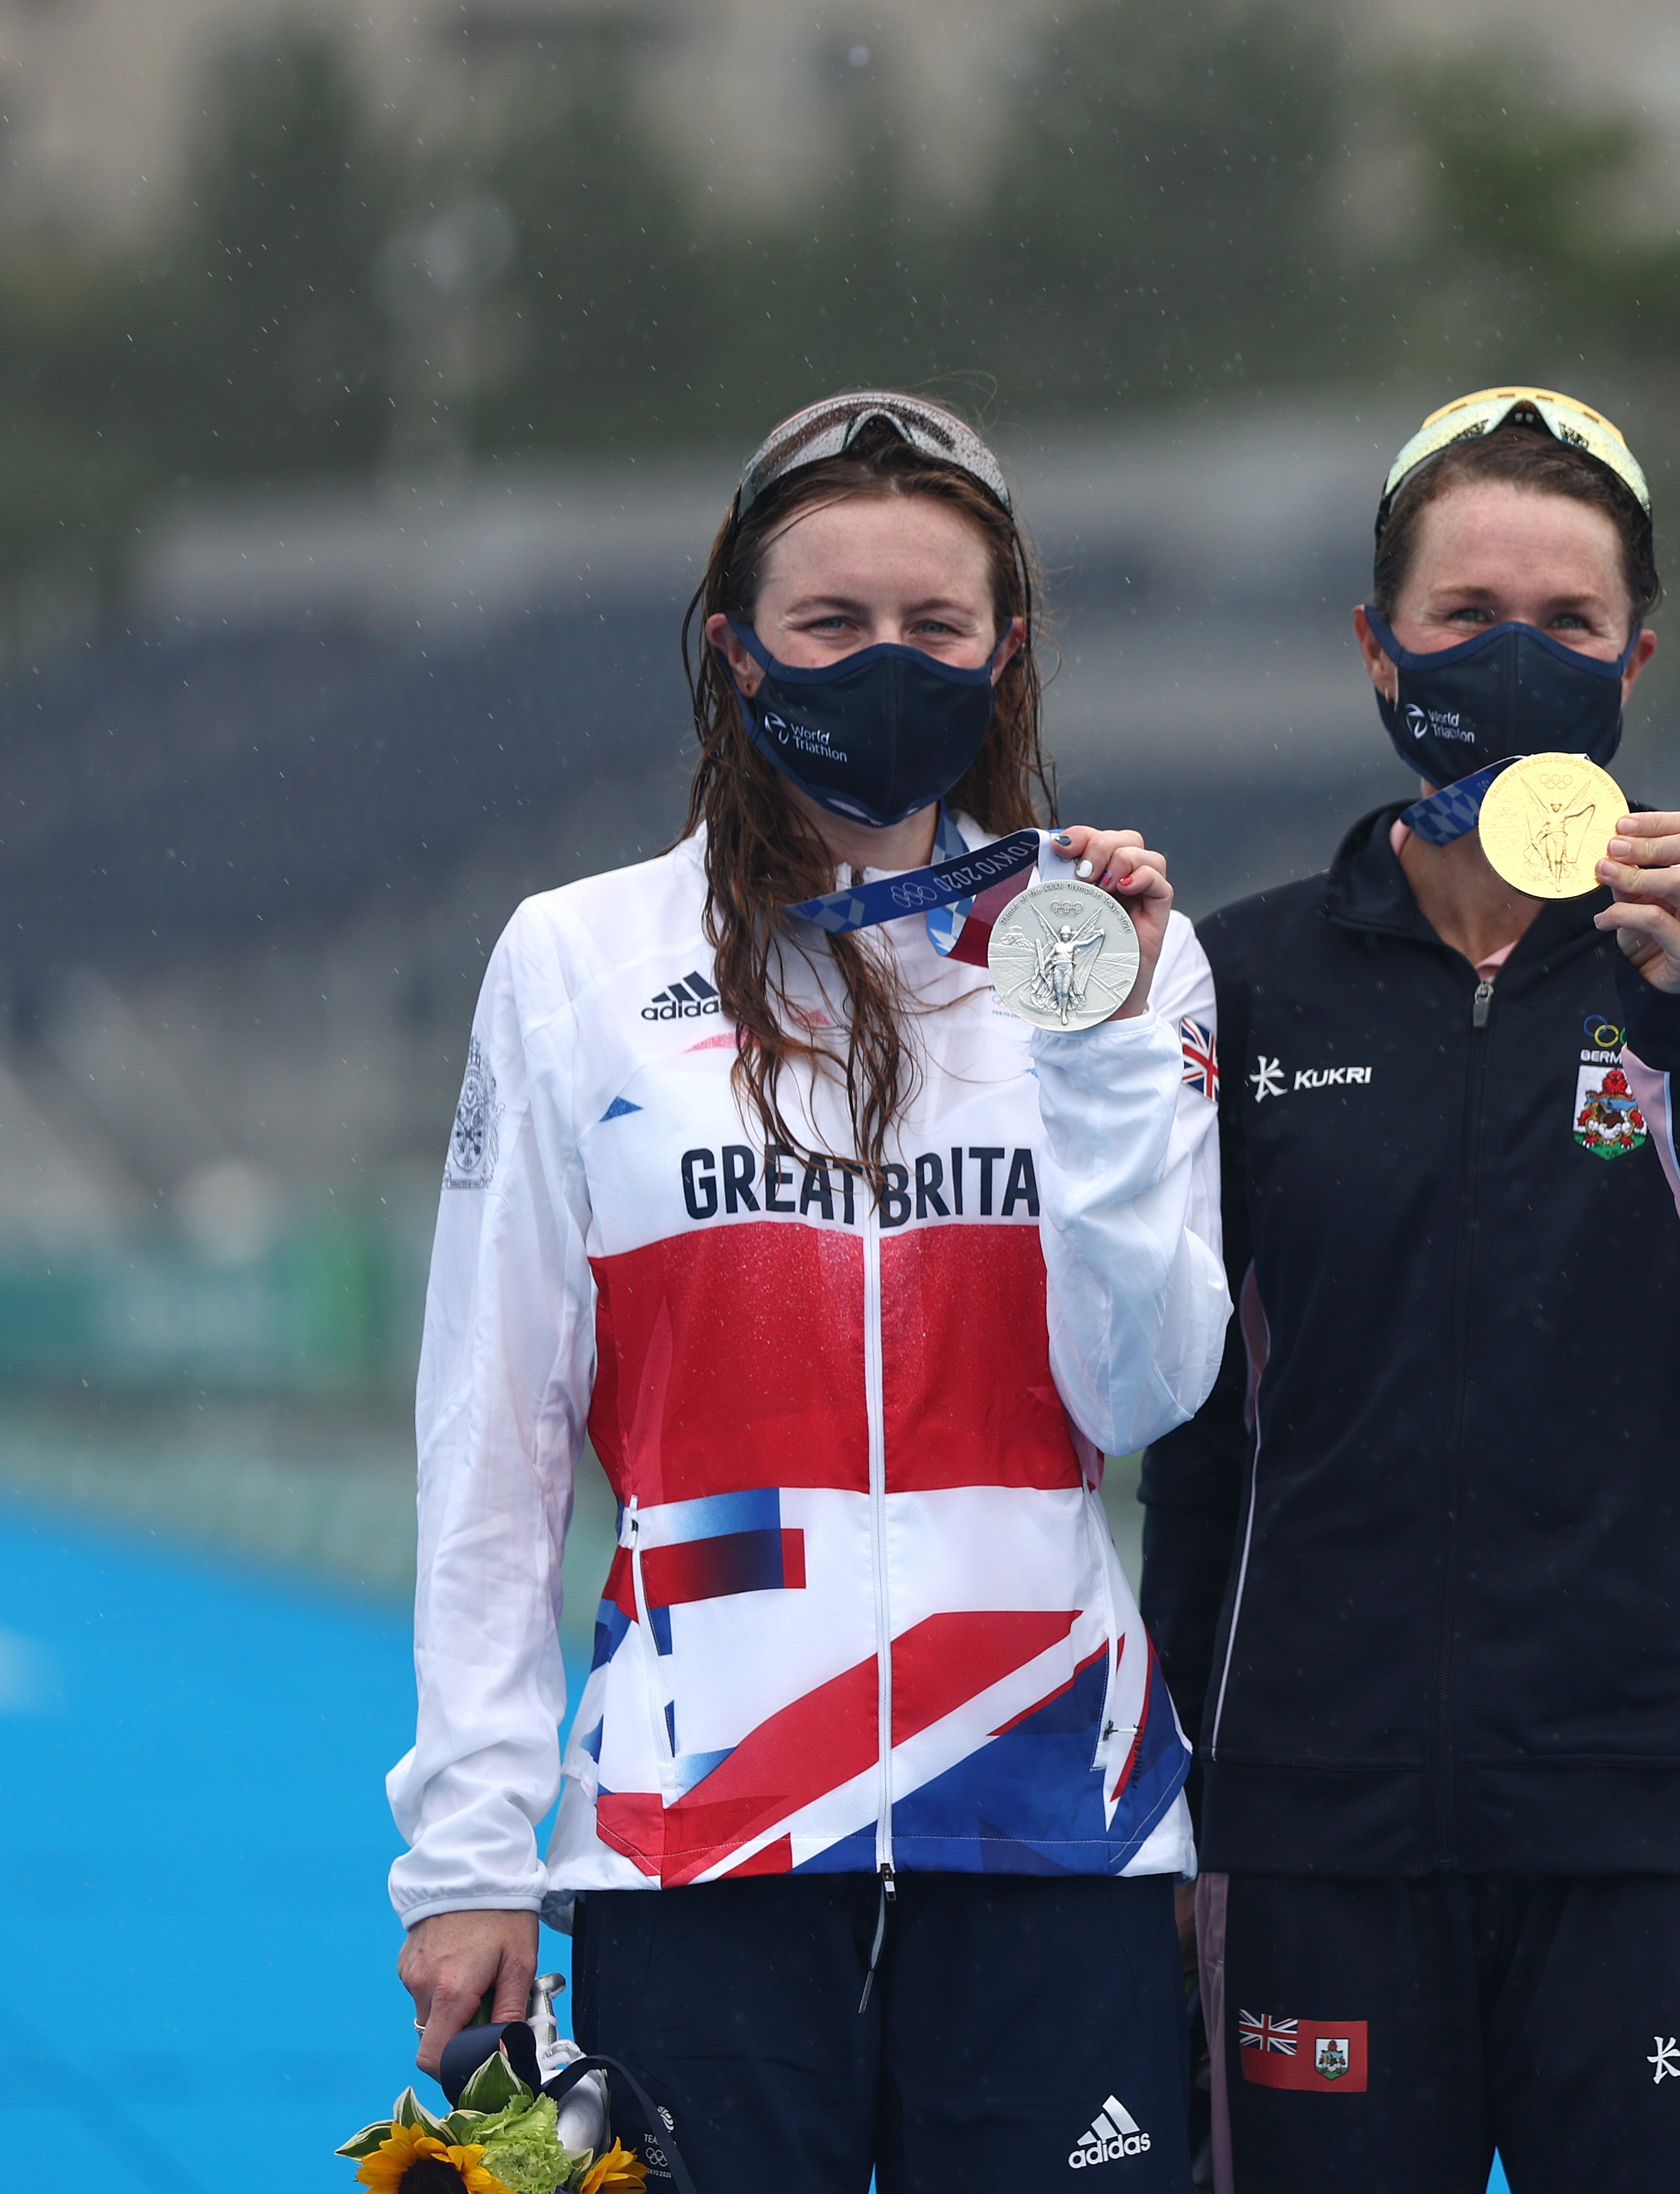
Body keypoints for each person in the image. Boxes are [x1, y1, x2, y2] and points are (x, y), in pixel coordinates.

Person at [386, 391, 1227, 2191]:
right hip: (701, 1838)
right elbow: (496, 1434)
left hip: (1051, 1831)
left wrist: (1087, 1054)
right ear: (734, 652)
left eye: (935, 628)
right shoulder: (579, 961)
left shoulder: (1117, 957)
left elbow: (1145, 1391)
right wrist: (469, 1849)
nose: (884, 665)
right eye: (830, 625)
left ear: (1008, 655)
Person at [1137, 388, 1680, 2193]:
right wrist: (1179, 1794)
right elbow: (1196, 1430)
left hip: (1651, 1816)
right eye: (1468, 617)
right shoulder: (1239, 982)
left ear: (1640, 652)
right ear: (1377, 646)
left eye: (1567, 624)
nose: (1518, 658)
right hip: (1317, 1829)